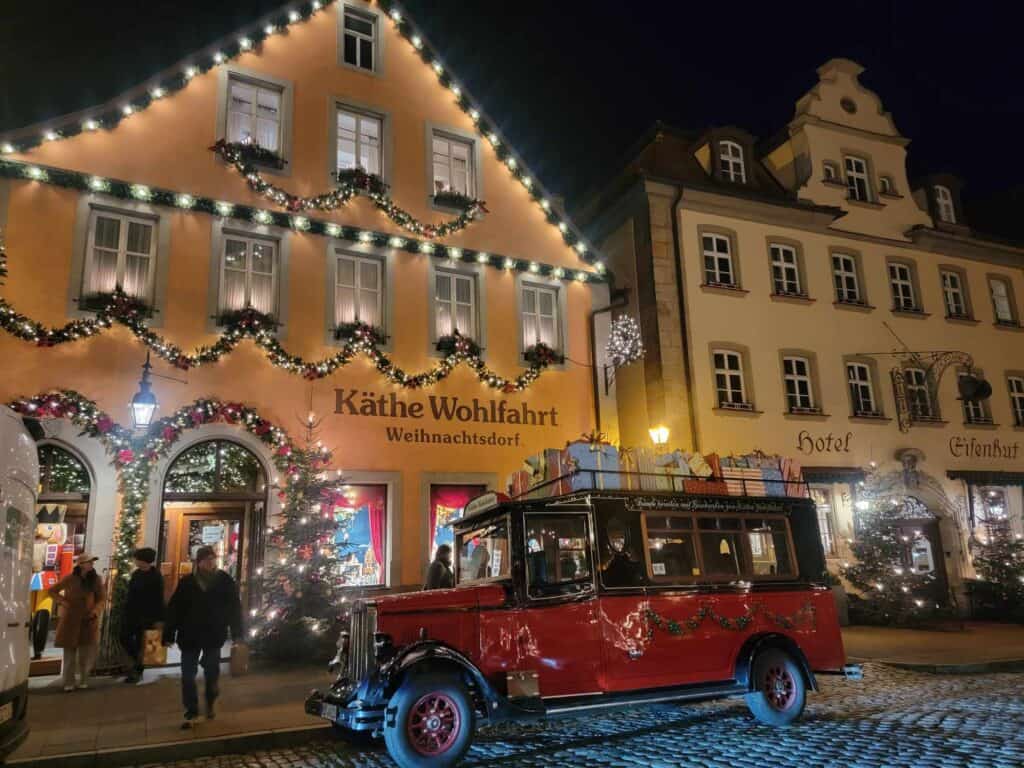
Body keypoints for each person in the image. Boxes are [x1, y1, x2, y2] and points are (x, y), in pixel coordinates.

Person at [163, 546, 242, 729]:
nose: (210, 563)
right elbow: (176, 609)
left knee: (212, 673)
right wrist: (169, 633)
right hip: (190, 635)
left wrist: (237, 632)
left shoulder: (224, 581)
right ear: (198, 562)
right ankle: (191, 709)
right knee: (188, 675)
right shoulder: (188, 582)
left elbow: (234, 608)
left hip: (213, 634)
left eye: (212, 559)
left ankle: (210, 701)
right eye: (206, 560)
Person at [48, 553, 105, 692]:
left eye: (92, 562)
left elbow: (102, 598)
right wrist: (63, 602)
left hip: (88, 619)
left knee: (86, 653)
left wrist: (95, 611)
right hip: (70, 619)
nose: (91, 564)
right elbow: (52, 591)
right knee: (69, 654)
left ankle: (84, 680)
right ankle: (68, 682)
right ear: (80, 565)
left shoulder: (96, 580)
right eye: (88, 562)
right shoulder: (69, 578)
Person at [119, 547, 165, 684]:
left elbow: (158, 599)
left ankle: (138, 670)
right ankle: (137, 662)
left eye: (137, 559)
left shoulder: (156, 576)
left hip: (147, 615)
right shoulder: (136, 574)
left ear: (143, 560)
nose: (135, 561)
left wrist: (159, 619)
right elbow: (131, 593)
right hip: (132, 613)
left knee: (141, 642)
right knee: (124, 636)